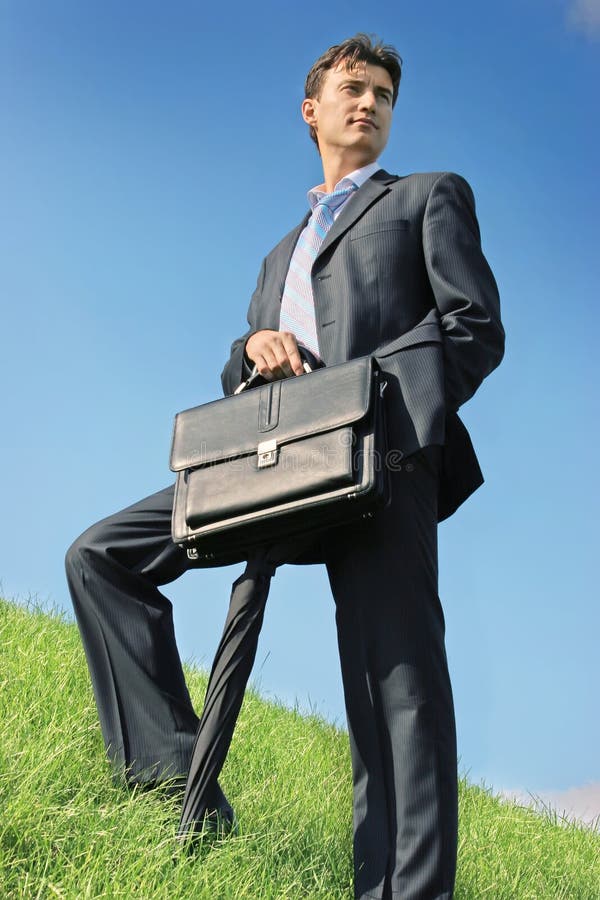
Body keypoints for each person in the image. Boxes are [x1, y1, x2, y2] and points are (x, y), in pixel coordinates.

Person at [65, 33, 503, 900]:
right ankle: (170, 780)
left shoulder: (426, 197)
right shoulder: (278, 257)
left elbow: (473, 330)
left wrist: (367, 394)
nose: (369, 102)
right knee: (101, 557)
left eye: (383, 93)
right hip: (274, 466)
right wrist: (250, 347)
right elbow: (252, 380)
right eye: (352, 87)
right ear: (312, 110)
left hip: (384, 458)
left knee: (396, 693)